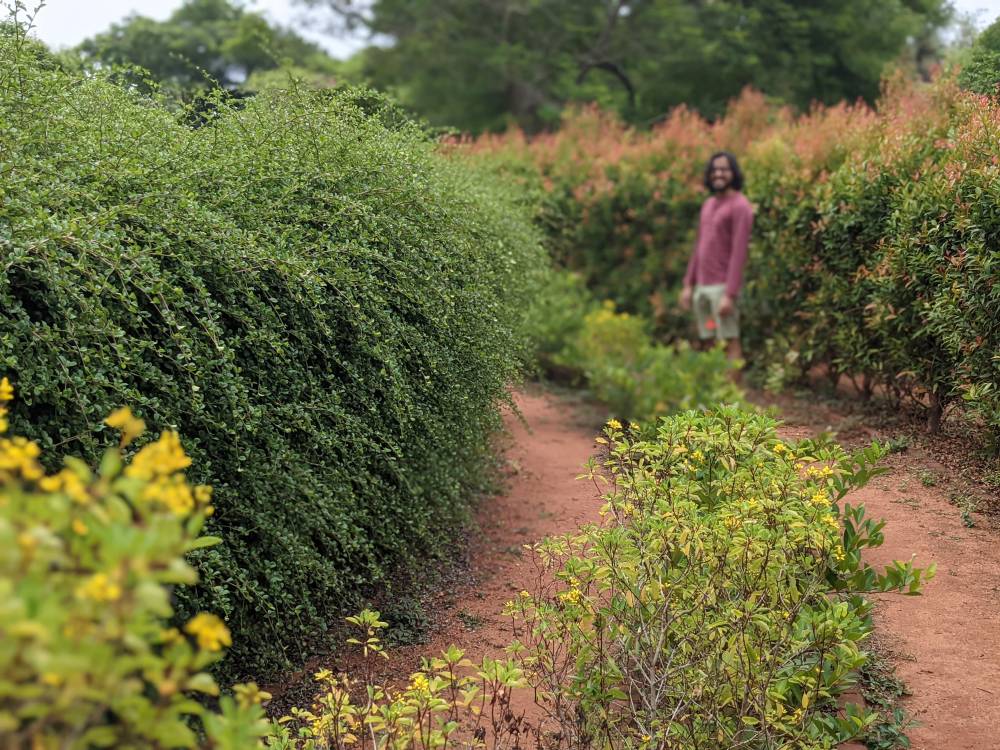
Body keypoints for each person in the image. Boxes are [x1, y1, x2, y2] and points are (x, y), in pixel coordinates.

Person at [679, 151, 753, 364]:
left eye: (724, 169)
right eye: (715, 169)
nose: (718, 173)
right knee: (710, 340)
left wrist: (729, 294)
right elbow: (699, 246)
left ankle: (730, 398)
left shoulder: (740, 206)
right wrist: (688, 284)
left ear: (733, 173)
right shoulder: (708, 204)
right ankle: (716, 394)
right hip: (702, 288)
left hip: (721, 290)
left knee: (730, 341)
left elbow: (739, 254)